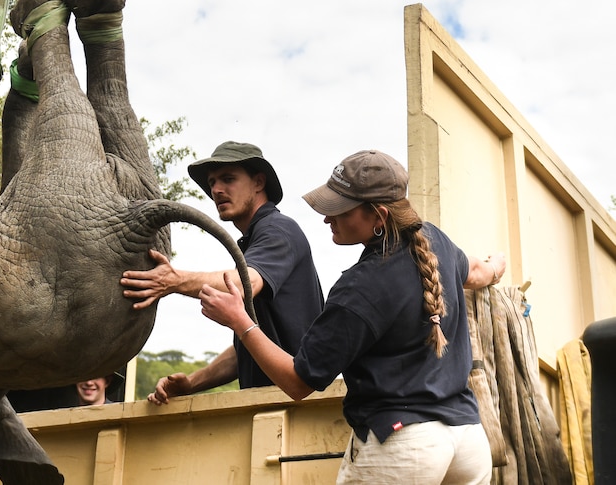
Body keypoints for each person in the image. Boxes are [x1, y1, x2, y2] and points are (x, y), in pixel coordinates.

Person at [198, 149, 505, 483]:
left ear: (379, 216)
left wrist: (240, 321)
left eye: (338, 210)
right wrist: (496, 266)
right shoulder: (434, 240)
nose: (327, 218)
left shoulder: (360, 286)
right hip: (469, 440)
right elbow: (474, 271)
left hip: (404, 446)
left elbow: (299, 382)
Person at [121, 141, 324, 404]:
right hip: (275, 409)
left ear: (259, 182)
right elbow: (250, 343)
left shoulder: (278, 229)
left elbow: (243, 283)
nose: (216, 190)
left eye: (228, 179)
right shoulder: (255, 241)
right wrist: (192, 383)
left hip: (300, 412)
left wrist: (173, 281)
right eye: (212, 182)